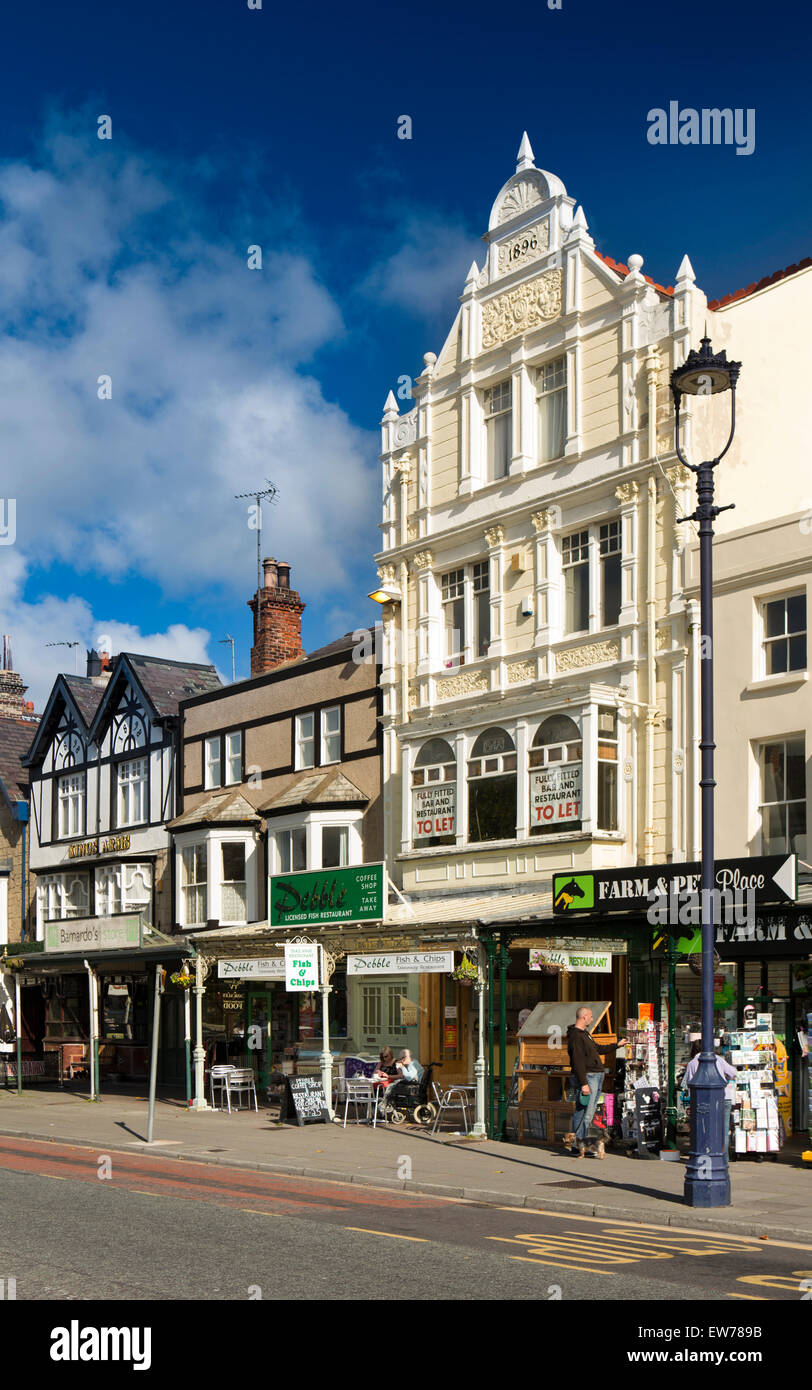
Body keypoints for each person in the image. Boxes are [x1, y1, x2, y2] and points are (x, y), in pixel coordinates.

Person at [566, 1006, 606, 1158]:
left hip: (594, 1075)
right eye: (590, 1016)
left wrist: (617, 1045)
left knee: (587, 1112)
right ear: (583, 1017)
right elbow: (577, 1061)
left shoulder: (585, 1034)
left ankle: (580, 1145)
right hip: (588, 1077)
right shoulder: (576, 1036)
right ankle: (578, 1146)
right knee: (584, 1113)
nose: (592, 1018)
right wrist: (583, 1083)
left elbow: (597, 1049)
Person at [683, 1041, 737, 1146]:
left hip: (703, 1100)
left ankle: (707, 1150)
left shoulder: (692, 1063)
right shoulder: (718, 1059)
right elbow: (733, 1073)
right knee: (723, 1131)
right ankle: (723, 1158)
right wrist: (727, 1078)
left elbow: (689, 1085)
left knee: (706, 1129)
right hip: (724, 1097)